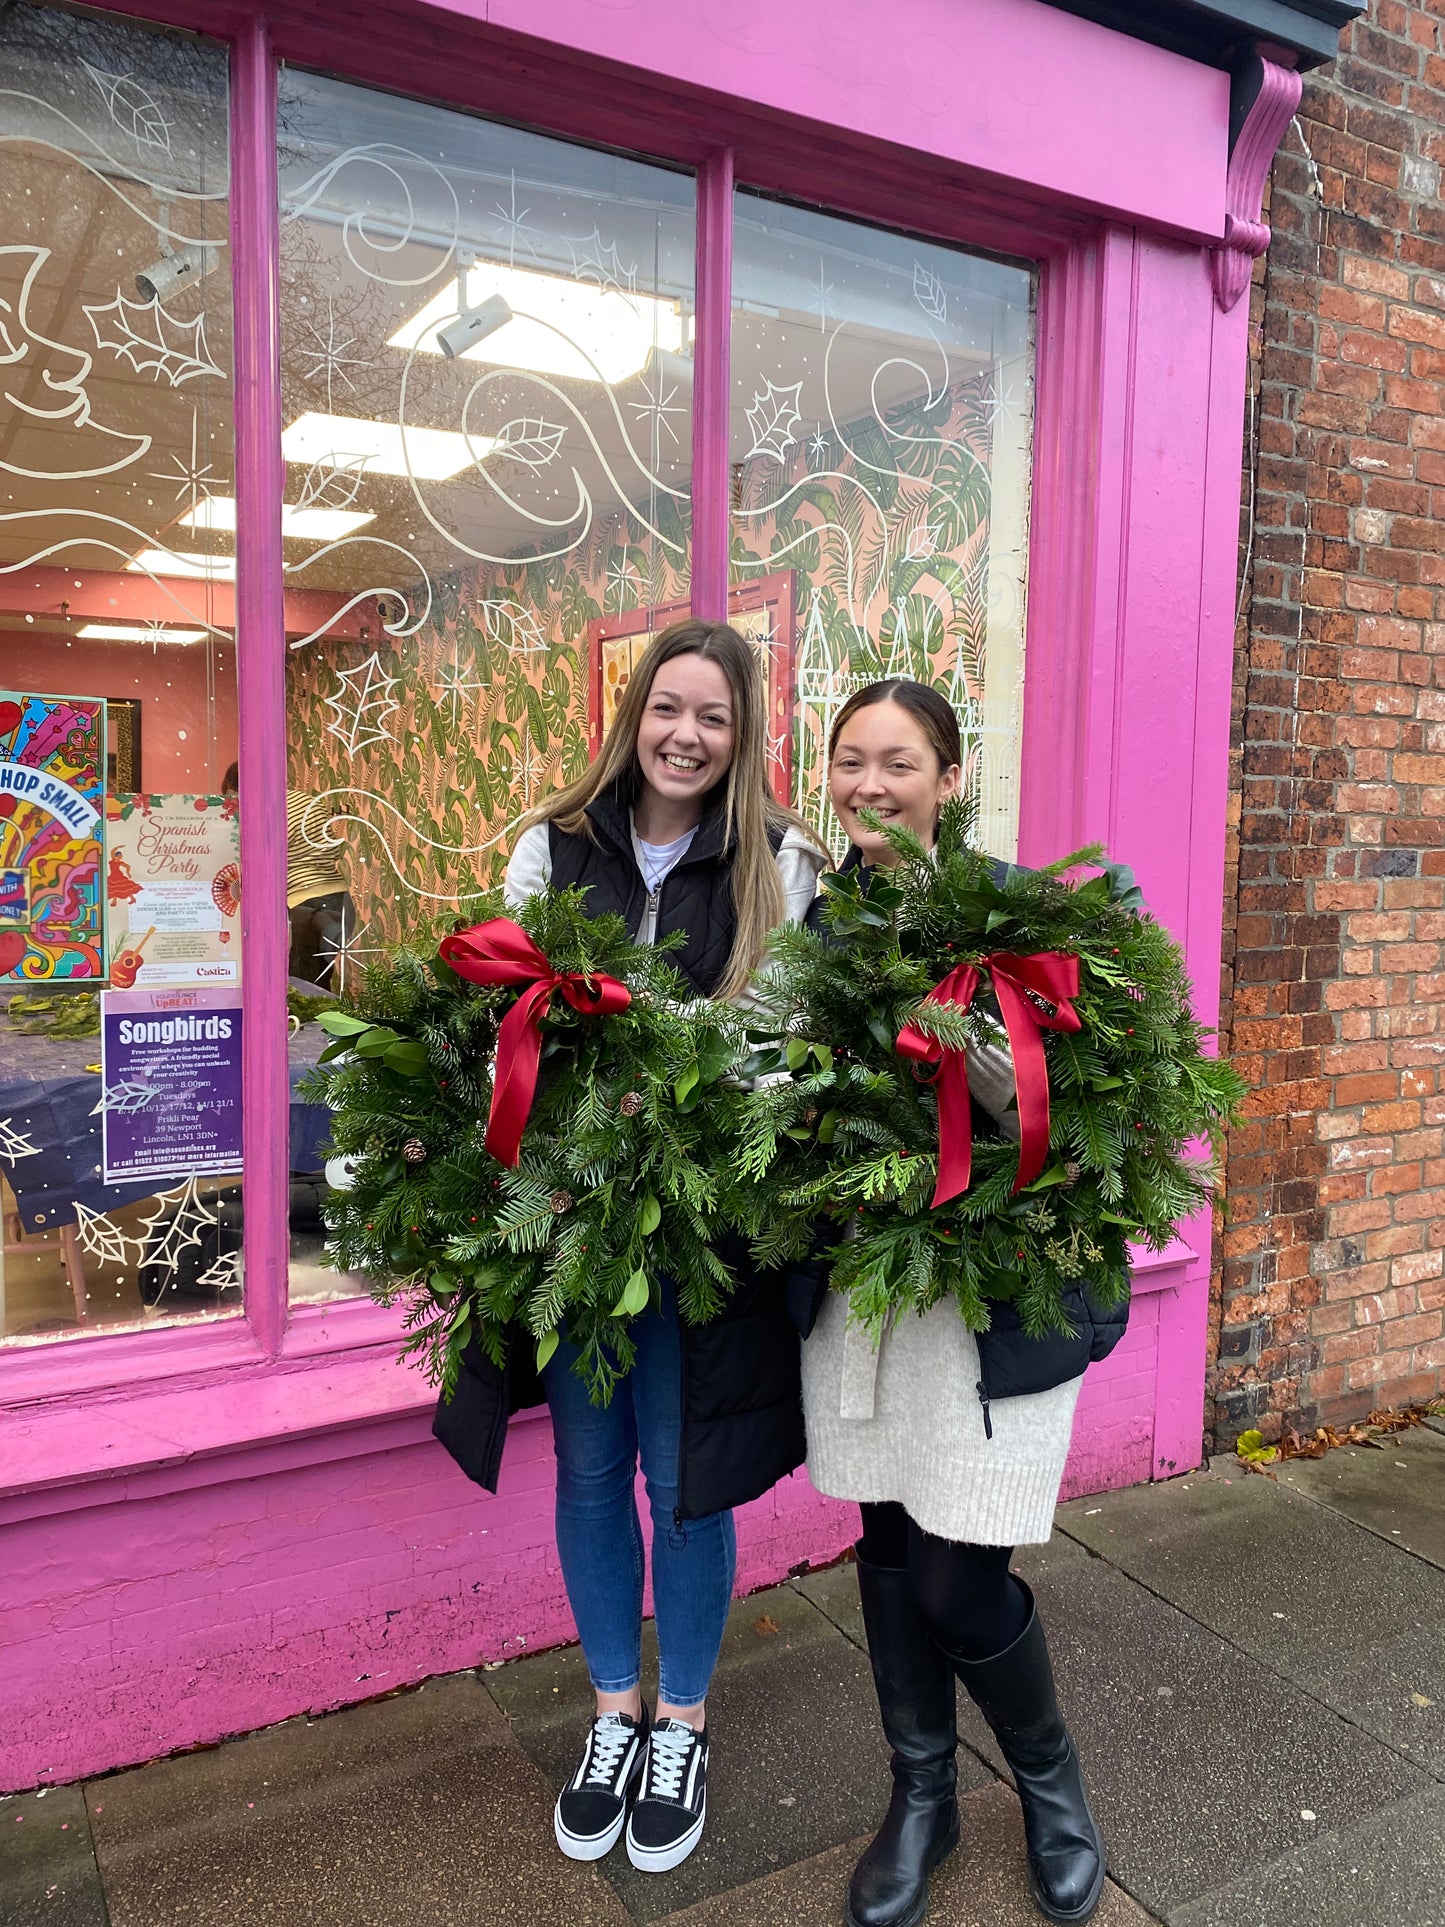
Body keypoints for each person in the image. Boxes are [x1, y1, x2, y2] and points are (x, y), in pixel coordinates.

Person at [432, 619, 826, 1877]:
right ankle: (613, 1711)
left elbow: (763, 1041)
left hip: (699, 1227)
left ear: (742, 728)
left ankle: (684, 1722)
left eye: (712, 716)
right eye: (668, 709)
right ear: (631, 711)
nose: (685, 736)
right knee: (592, 1471)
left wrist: (625, 1025)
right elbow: (515, 1003)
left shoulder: (782, 862)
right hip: (569, 1221)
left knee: (685, 1474)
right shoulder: (551, 843)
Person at [795, 679, 1108, 1927]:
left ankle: (1048, 1779)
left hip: (980, 1307)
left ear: (947, 777)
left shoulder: (1007, 920)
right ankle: (918, 1794)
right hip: (861, 1302)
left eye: (898, 761)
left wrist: (949, 1036)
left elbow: (1064, 1118)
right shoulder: (815, 929)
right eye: (849, 760)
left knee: (957, 1583)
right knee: (883, 1549)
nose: (870, 784)